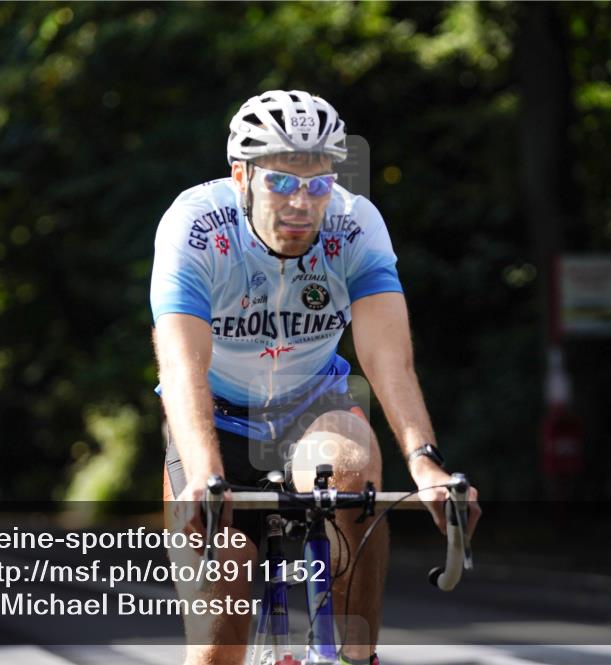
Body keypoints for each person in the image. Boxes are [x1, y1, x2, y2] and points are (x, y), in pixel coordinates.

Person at [150, 90, 481, 665]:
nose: (302, 203)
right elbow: (182, 365)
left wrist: (425, 463)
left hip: (313, 405)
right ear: (242, 176)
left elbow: (387, 358)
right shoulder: (195, 226)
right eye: (281, 182)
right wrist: (204, 475)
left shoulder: (354, 226)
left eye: (318, 183)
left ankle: (354, 655)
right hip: (217, 420)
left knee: (351, 471)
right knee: (216, 647)